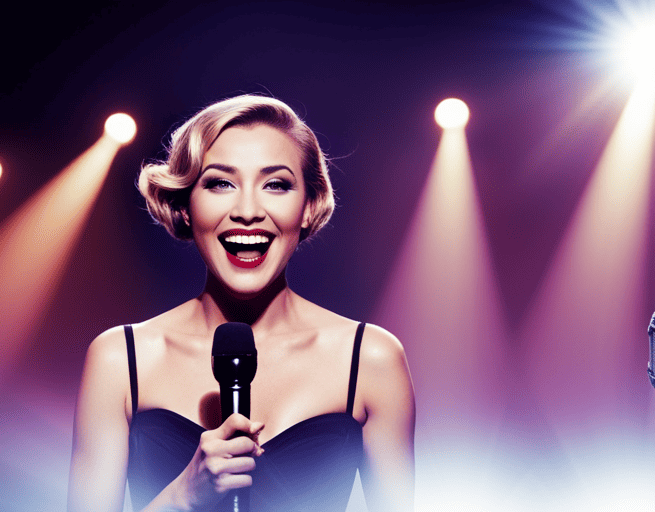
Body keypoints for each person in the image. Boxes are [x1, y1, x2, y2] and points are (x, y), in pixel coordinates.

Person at [68, 95, 415, 512]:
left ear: (308, 206)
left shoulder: (371, 358)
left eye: (276, 184)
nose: (248, 211)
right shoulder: (120, 360)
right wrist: (182, 496)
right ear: (184, 206)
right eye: (220, 183)